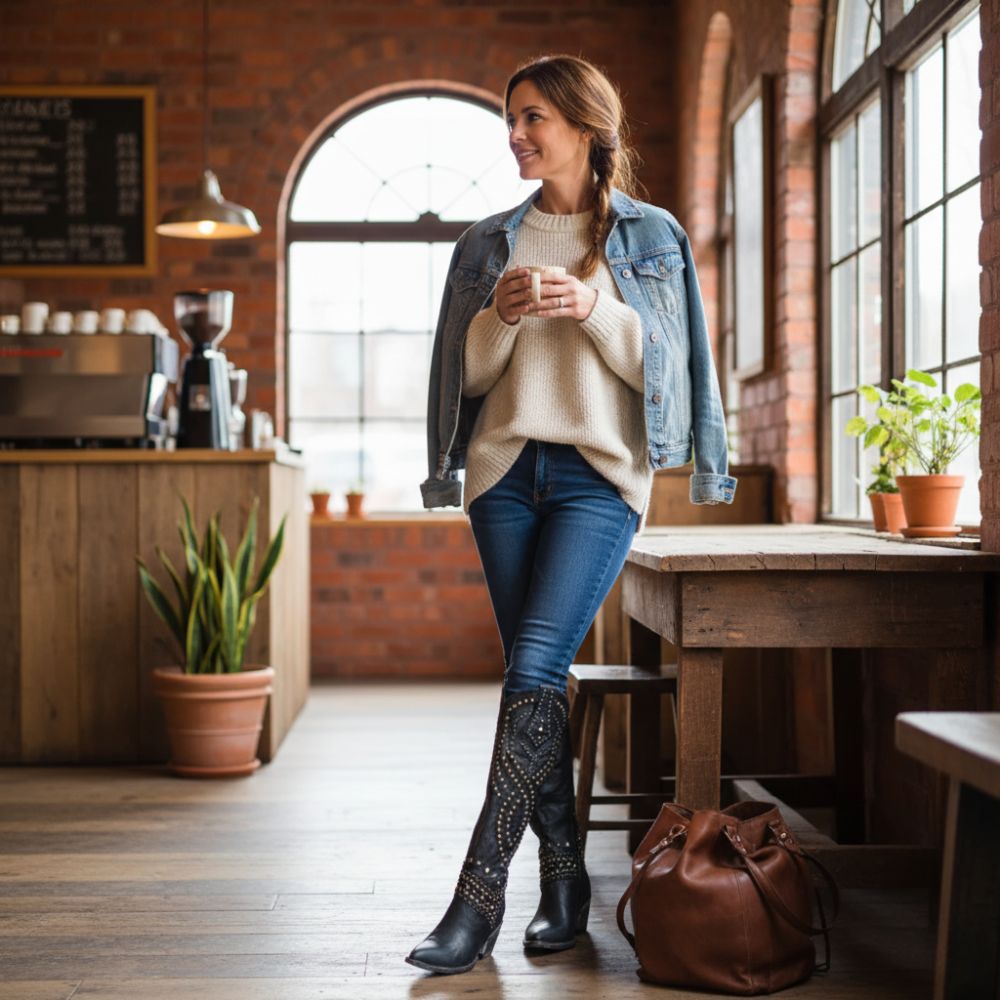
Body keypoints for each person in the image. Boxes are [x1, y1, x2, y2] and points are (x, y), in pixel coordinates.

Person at [407, 54, 738, 976]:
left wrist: (595, 307)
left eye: (532, 118)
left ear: (586, 127)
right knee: (535, 678)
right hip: (506, 474)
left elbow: (668, 371)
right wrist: (502, 319)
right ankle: (564, 885)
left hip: (598, 478)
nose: (515, 134)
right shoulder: (485, 244)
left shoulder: (652, 236)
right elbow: (462, 381)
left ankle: (477, 898)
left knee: (536, 668)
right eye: (510, 119)